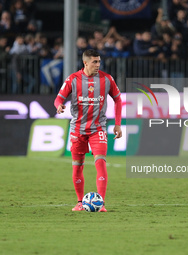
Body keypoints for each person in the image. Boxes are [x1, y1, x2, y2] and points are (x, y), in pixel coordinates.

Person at [54, 49, 122, 212]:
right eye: (94, 62)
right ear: (85, 63)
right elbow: (58, 98)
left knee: (100, 161)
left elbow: (118, 99)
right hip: (77, 129)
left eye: (99, 61)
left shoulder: (107, 79)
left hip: (98, 128)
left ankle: (102, 203)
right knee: (77, 166)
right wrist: (59, 106)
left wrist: (118, 124)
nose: (98, 65)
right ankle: (79, 202)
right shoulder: (73, 79)